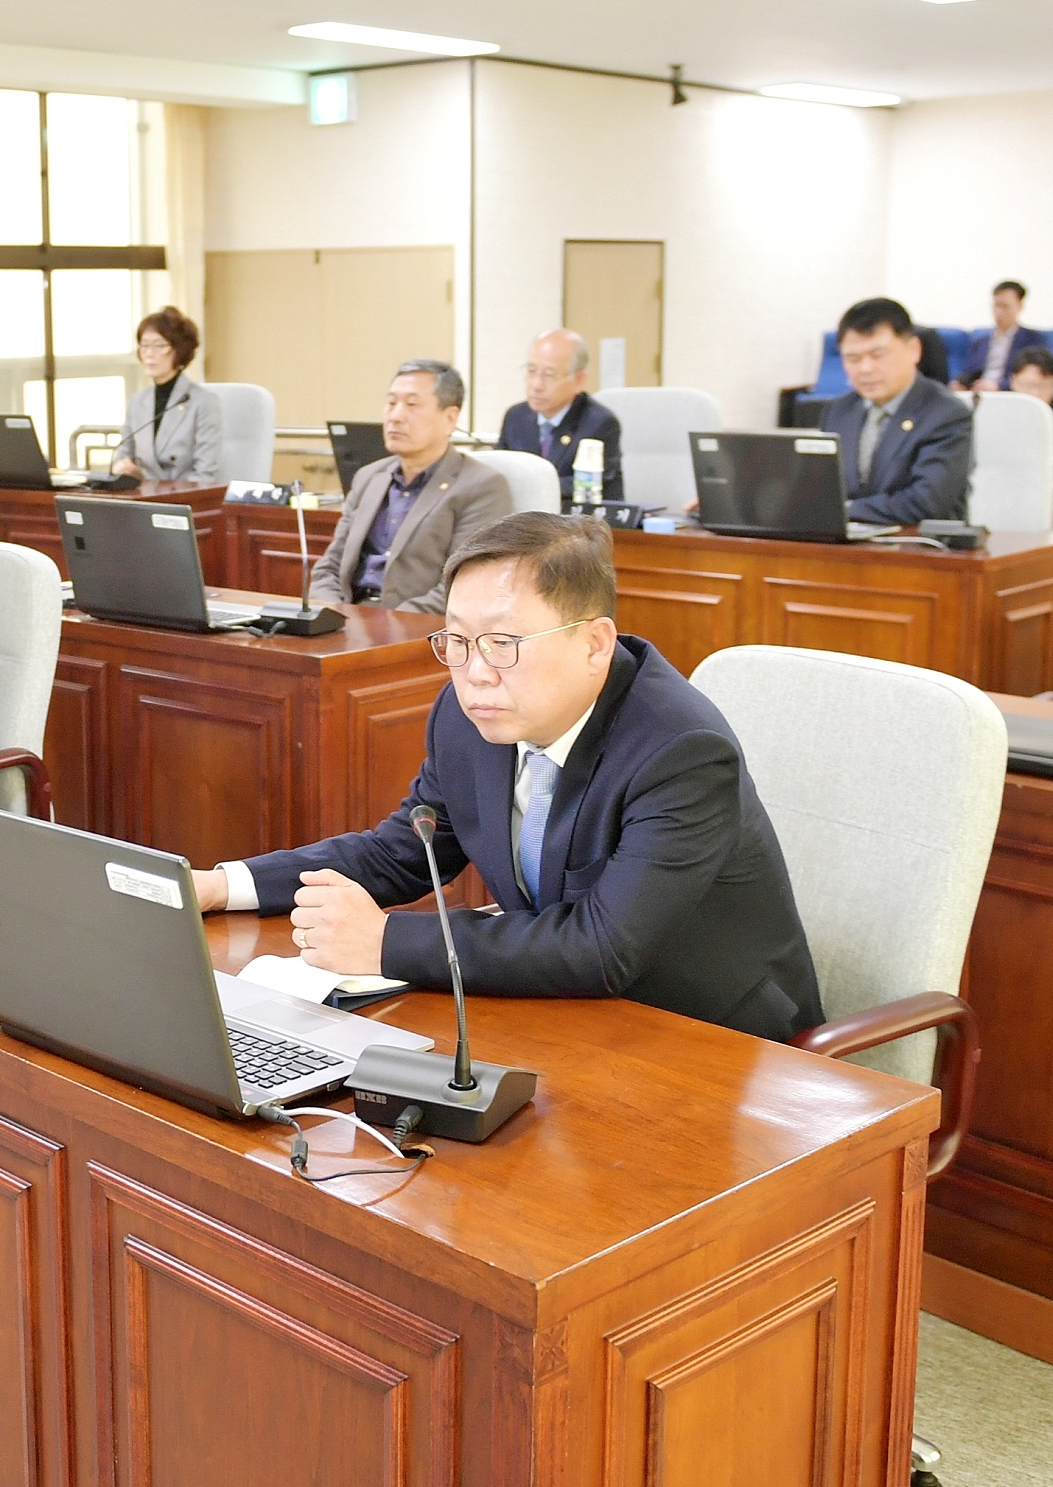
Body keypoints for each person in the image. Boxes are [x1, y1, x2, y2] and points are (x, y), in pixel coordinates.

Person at [191, 511, 821, 1042]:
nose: (475, 674)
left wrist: (383, 940)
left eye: (503, 643)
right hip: (568, 1012)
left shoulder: (680, 752)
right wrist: (224, 885)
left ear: (595, 643)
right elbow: (403, 852)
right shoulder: (468, 717)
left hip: (716, 1039)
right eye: (457, 641)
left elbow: (604, 947)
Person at [307, 360, 511, 613]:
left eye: (412, 405)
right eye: (391, 403)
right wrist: (332, 612)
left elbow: (464, 586)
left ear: (450, 418)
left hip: (416, 624)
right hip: (350, 617)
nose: (395, 416)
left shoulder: (481, 486)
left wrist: (389, 622)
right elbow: (330, 566)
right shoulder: (368, 477)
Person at [819, 298, 974, 523]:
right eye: (853, 358)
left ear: (913, 350)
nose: (865, 368)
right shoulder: (838, 411)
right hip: (846, 542)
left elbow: (926, 503)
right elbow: (820, 490)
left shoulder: (946, 414)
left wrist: (844, 510)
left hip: (918, 542)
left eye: (878, 355)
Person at [496, 330, 623, 505]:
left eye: (549, 375)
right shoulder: (516, 417)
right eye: (531, 371)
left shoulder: (599, 423)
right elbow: (499, 473)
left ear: (579, 380)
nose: (536, 385)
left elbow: (587, 486)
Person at [109, 307, 220, 481]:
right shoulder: (137, 401)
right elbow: (123, 456)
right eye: (144, 345)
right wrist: (124, 469)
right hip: (142, 494)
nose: (149, 353)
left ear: (180, 350)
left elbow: (205, 474)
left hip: (184, 495)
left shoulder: (203, 402)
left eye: (159, 346)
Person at [957, 280, 1049, 391]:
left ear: (1020, 306)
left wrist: (999, 386)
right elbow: (969, 372)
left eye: (1005, 306)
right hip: (978, 392)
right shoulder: (980, 341)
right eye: (996, 306)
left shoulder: (1033, 340)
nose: (999, 312)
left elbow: (1033, 378)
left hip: (1010, 394)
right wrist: (960, 383)